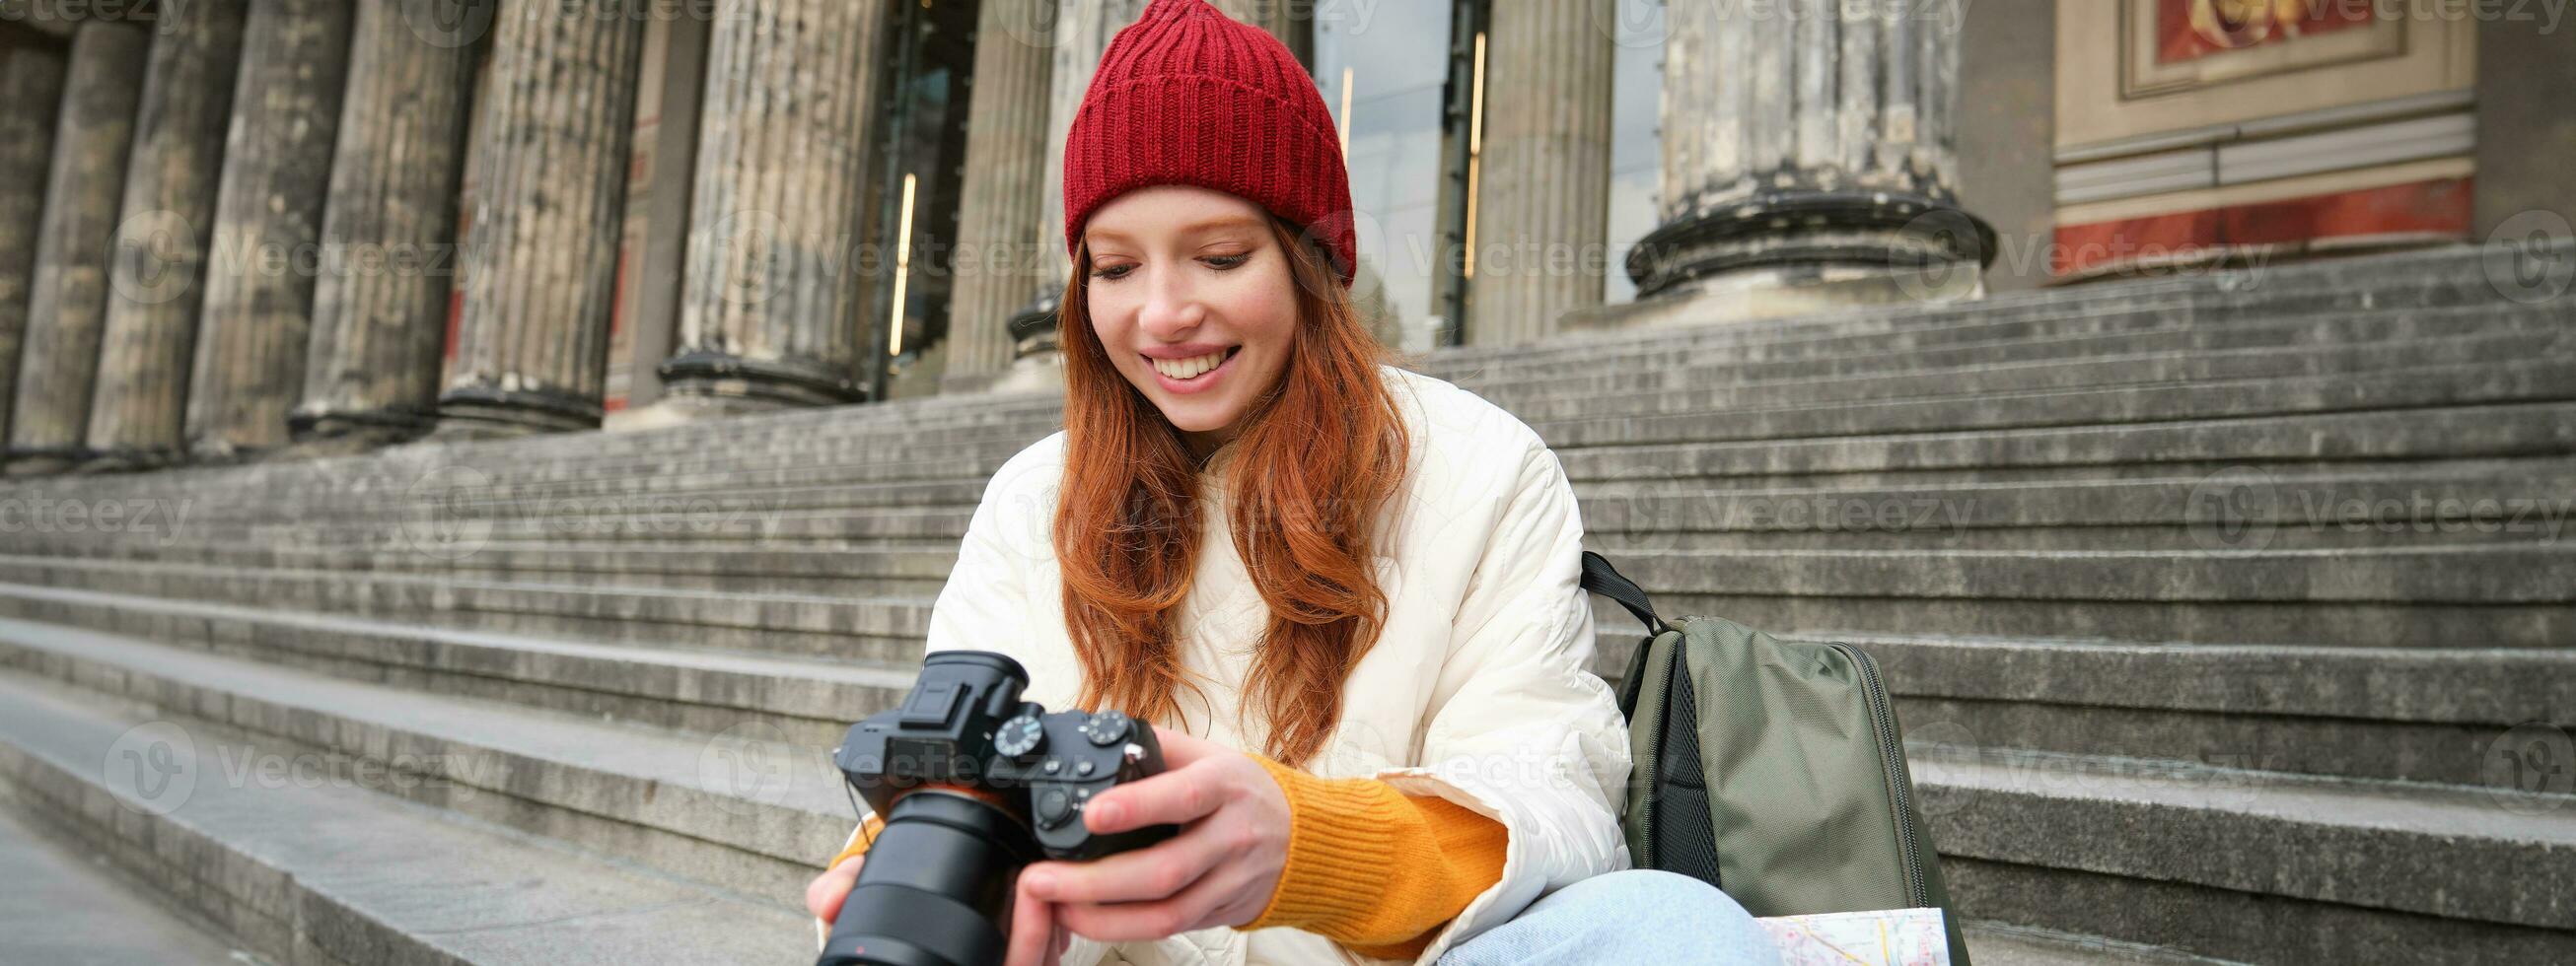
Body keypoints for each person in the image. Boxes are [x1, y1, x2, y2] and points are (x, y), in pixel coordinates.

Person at [808, 2, 1782, 964]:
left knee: (1670, 926)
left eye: (1220, 256)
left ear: (1310, 260)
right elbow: (954, 770)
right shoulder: (1032, 496)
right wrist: (897, 871)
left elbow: (1555, 799)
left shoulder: (1485, 466)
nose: (1160, 314)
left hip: (1387, 956)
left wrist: (1306, 845)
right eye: (1112, 267)